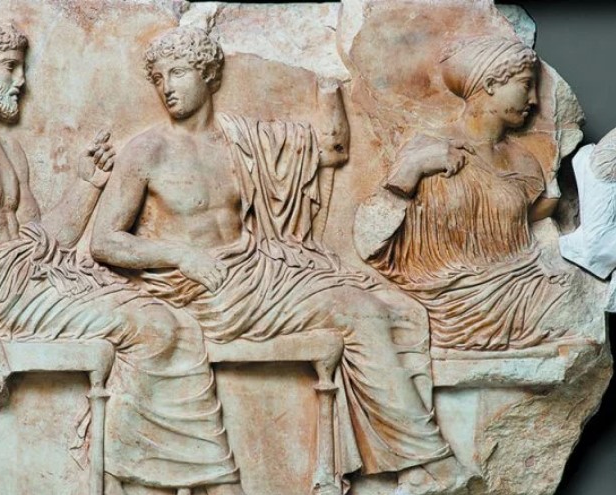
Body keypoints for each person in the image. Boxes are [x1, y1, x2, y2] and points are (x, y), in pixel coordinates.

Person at [91, 26, 471, 495]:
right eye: (158, 77)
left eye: (179, 72)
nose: (167, 86)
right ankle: (431, 461)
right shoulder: (147, 151)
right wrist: (180, 255)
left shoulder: (244, 141)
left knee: (403, 312)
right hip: (203, 292)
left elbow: (332, 149)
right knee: (360, 311)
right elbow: (104, 242)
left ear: (209, 76)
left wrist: (330, 85)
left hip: (255, 271)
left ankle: (408, 468)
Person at [0, 21, 243, 495]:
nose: (21, 81)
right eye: (9, 67)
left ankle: (151, 467)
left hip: (32, 281)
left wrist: (87, 184)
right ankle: (164, 475)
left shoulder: (5, 146)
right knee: (157, 327)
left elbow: (47, 241)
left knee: (175, 321)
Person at [355, 35, 568, 351]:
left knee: (571, 296)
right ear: (491, 84)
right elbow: (367, 243)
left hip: (517, 289)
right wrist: (412, 170)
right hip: (442, 300)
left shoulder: (525, 163)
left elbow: (522, 225)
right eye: (526, 85)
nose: (534, 99)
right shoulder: (425, 148)